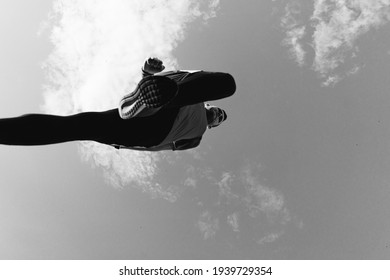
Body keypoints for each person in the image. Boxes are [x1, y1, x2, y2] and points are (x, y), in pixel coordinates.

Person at [0, 57, 236, 151]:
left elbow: (159, 149)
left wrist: (123, 144)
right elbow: (184, 79)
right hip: (168, 101)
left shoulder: (196, 138)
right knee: (226, 84)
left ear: (214, 126)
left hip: (147, 133)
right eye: (220, 111)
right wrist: (149, 74)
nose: (219, 114)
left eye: (220, 118)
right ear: (211, 106)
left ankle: (136, 105)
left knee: (75, 128)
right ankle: (143, 100)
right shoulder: (199, 95)